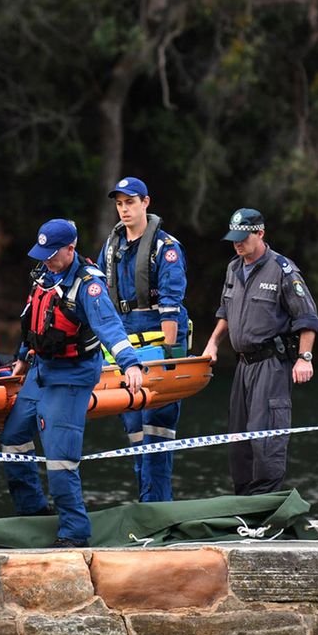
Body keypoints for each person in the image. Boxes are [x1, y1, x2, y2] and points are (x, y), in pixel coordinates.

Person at [0, 218, 145, 547]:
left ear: (70, 249)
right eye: (43, 253)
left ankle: (74, 532)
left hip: (72, 375)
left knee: (60, 457)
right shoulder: (43, 275)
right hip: (41, 369)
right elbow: (33, 322)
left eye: (52, 253)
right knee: (13, 439)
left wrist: (130, 364)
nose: (46, 259)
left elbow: (109, 327)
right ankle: (33, 514)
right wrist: (22, 357)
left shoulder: (88, 285)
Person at [201, 208, 318, 496]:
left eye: (243, 238)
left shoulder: (282, 270)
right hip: (243, 366)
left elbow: (308, 319)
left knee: (265, 436)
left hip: (271, 365)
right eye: (234, 239)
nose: (238, 244)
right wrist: (213, 342)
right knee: (239, 438)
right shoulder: (233, 268)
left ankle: (265, 502)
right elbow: (225, 312)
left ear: (260, 233)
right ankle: (244, 502)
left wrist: (304, 358)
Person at [95, 177, 189, 502]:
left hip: (157, 348)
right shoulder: (111, 248)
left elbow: (171, 307)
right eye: (119, 203)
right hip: (124, 350)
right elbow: (100, 302)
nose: (124, 209)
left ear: (146, 203)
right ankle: (144, 502)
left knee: (157, 431)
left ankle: (157, 507)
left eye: (130, 202)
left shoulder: (166, 248)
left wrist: (167, 359)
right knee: (134, 430)